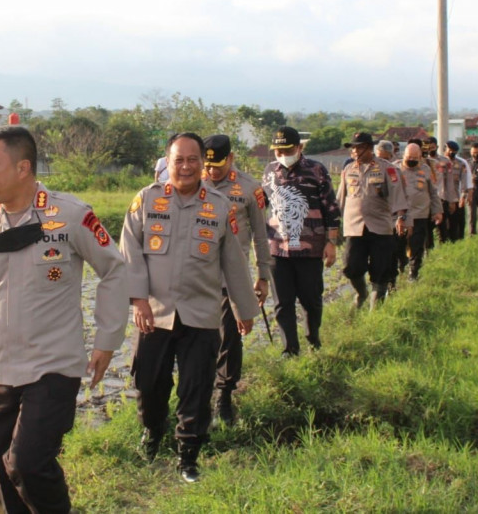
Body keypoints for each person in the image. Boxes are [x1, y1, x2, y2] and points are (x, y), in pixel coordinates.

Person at [0, 126, 129, 514]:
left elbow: (115, 271)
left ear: (23, 169)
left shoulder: (70, 216)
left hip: (53, 367)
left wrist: (107, 339)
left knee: (28, 464)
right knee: (4, 476)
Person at [121, 132, 259, 483]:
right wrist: (138, 300)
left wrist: (245, 310)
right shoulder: (147, 200)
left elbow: (234, 263)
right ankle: (152, 431)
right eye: (178, 160)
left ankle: (188, 455)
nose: (185, 166)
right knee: (149, 383)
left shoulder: (220, 206)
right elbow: (130, 253)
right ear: (167, 162)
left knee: (196, 387)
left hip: (201, 314)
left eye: (192, 159)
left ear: (203, 163)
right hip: (155, 313)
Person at [201, 134, 272, 424]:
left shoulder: (250, 188)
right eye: (208, 165)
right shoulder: (194, 184)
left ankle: (224, 398)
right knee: (201, 341)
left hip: (232, 277)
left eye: (218, 165)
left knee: (229, 339)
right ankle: (199, 397)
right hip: (198, 277)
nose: (212, 171)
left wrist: (263, 276)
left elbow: (260, 236)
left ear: (231, 158)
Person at [261, 126, 340, 358]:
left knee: (311, 299)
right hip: (277, 248)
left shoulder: (316, 170)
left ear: (299, 148)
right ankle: (290, 349)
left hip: (310, 248)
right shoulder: (269, 172)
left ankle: (312, 337)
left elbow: (331, 208)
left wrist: (331, 242)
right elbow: (259, 206)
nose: (282, 154)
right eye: (278, 150)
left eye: (287, 149)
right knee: (282, 303)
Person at [336, 132, 408, 309]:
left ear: (369, 148)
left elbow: (398, 194)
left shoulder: (387, 169)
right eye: (352, 147)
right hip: (354, 227)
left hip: (380, 228)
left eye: (358, 147)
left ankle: (374, 314)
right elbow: (340, 199)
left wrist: (401, 218)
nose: (354, 151)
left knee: (380, 271)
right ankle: (361, 293)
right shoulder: (348, 170)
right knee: (351, 267)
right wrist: (333, 222)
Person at [395, 143, 443, 282]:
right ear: (404, 155)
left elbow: (433, 192)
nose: (412, 160)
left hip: (420, 214)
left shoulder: (426, 169)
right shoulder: (395, 168)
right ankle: (401, 267)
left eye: (415, 158)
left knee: (417, 245)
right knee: (399, 245)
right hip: (400, 215)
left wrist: (437, 211)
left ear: (420, 157)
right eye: (409, 157)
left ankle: (414, 273)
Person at [443, 140, 470, 242]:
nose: (451, 153)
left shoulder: (461, 164)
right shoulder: (439, 163)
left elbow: (464, 182)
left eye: (454, 151)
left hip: (456, 198)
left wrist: (463, 196)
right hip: (443, 198)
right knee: (444, 226)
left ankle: (457, 243)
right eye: (450, 150)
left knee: (458, 225)